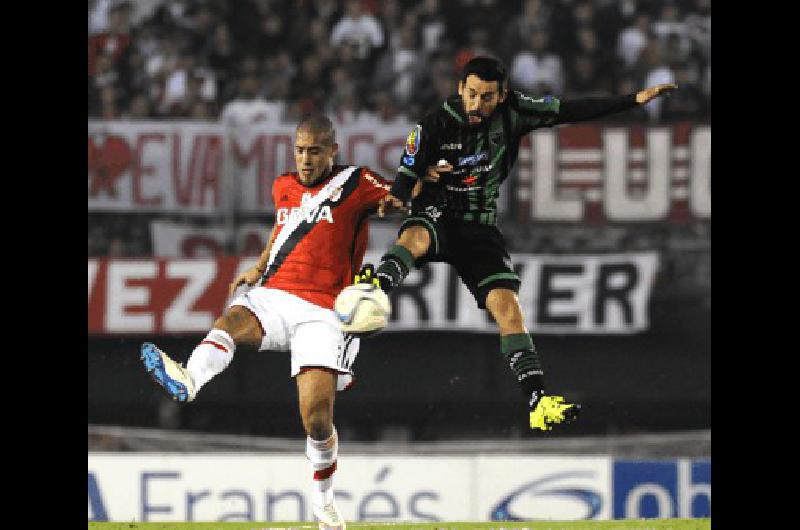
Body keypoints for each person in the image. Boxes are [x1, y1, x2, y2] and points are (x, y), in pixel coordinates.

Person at [360, 56, 676, 432]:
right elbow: (404, 179)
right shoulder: (432, 125)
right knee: (415, 237)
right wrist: (393, 199)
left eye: (487, 97)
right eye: (472, 94)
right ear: (460, 89)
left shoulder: (517, 112)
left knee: (509, 312)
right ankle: (375, 288)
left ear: (502, 95)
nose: (478, 105)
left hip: (480, 228)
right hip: (438, 212)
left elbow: (571, 111)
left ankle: (538, 400)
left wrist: (632, 100)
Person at [140, 114, 399, 530]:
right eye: (299, 149)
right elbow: (283, 231)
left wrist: (406, 195)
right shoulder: (283, 185)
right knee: (232, 319)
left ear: (333, 150)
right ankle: (189, 380)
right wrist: (259, 267)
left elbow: (402, 197)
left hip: (324, 311)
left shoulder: (357, 183)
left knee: (316, 419)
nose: (305, 159)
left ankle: (324, 504)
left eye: (314, 150)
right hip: (275, 294)